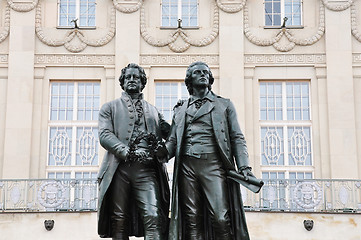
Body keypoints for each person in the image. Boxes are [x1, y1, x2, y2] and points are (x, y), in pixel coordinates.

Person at [165, 61, 254, 240]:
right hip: (187, 168)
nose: (203, 74)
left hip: (213, 166)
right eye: (198, 72)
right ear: (190, 80)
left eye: (206, 72)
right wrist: (159, 152)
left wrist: (244, 167)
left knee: (220, 217)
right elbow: (172, 142)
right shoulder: (180, 109)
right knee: (192, 220)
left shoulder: (224, 105)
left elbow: (237, 137)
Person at [97, 63, 170, 240]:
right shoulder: (109, 108)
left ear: (142, 82)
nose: (131, 80)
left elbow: (170, 135)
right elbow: (105, 135)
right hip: (119, 168)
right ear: (122, 82)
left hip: (147, 169)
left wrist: (180, 113)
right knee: (119, 219)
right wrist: (126, 151)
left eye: (135, 77)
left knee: (153, 216)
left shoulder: (154, 111)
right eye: (128, 77)